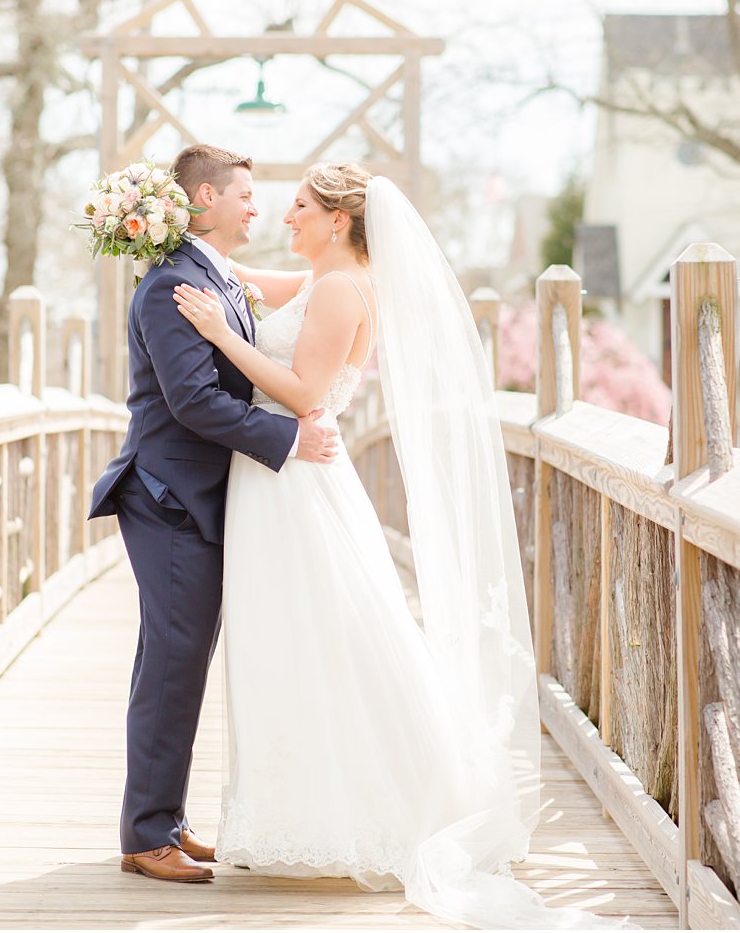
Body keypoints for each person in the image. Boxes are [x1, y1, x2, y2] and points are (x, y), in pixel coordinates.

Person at [170, 163, 635, 928]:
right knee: (292, 641)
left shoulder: (343, 290)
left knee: (322, 638)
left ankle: (369, 807)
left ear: (340, 221)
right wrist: (169, 239)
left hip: (294, 484)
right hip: (277, 481)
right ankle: (304, 807)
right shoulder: (324, 280)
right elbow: (241, 274)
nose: (288, 221)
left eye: (301, 211)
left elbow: (304, 395)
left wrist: (219, 333)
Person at [88, 144, 341, 884]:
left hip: (197, 498)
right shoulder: (170, 285)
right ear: (203, 199)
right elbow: (193, 402)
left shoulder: (214, 274)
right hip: (168, 498)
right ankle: (145, 834)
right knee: (171, 667)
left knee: (181, 664)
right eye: (244, 196)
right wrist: (291, 438)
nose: (256, 208)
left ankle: (163, 819)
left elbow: (320, 288)